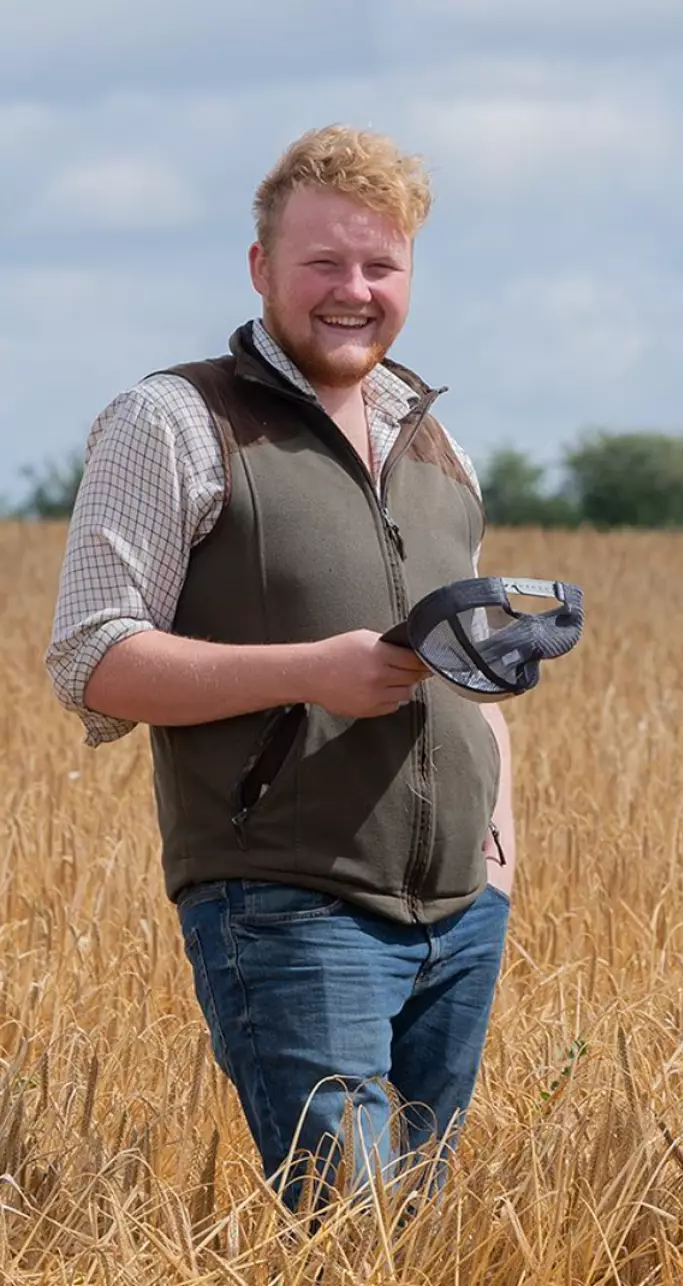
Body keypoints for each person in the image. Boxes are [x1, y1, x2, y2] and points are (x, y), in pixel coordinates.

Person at [45, 125, 516, 1208]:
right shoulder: (173, 418)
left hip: (459, 912)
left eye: (380, 265)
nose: (354, 290)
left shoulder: (436, 442)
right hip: (288, 908)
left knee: (419, 1227)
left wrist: (500, 851)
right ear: (262, 269)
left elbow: (469, 666)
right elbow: (92, 656)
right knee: (352, 1231)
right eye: (324, 263)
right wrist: (315, 668)